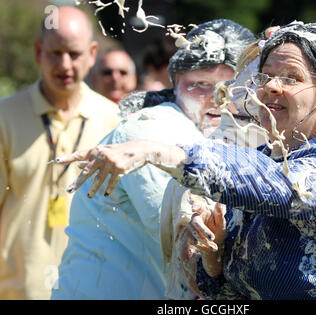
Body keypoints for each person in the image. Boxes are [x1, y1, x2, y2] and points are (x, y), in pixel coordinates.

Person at [56, 22, 316, 300]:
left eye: (291, 78)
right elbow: (222, 295)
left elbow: (280, 185)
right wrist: (214, 256)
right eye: (265, 76)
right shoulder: (248, 161)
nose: (271, 88)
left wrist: (158, 152)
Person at [50, 19, 256, 300]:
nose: (216, 99)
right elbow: (189, 252)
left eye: (230, 85)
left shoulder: (227, 137)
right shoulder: (150, 128)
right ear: (176, 84)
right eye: (201, 84)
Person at [0, 6, 120, 300]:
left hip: (94, 286)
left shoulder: (113, 119)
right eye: (55, 53)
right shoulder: (5, 116)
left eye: (75, 54)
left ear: (92, 54)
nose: (65, 65)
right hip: (18, 288)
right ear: (38, 51)